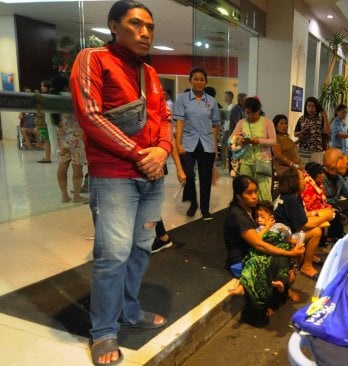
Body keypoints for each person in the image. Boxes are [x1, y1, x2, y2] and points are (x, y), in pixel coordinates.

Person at [70, 1, 172, 364]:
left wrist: (161, 149)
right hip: (114, 177)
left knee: (141, 249)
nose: (145, 32)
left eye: (150, 27)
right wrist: (139, 153)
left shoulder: (151, 74)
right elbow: (90, 116)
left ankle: (130, 311)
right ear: (114, 25)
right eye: (136, 24)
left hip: (151, 177)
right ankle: (103, 332)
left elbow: (163, 117)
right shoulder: (92, 58)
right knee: (112, 256)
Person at [223, 175, 305, 326]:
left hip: (253, 251)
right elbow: (259, 245)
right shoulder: (238, 215)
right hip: (241, 261)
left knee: (283, 258)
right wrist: (289, 253)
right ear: (239, 194)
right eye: (249, 192)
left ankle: (283, 287)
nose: (254, 196)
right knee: (279, 260)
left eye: (256, 191)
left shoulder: (250, 208)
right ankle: (270, 296)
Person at [173, 67, 220, 220]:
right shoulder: (182, 99)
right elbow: (179, 122)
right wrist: (178, 143)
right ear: (190, 80)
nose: (199, 82)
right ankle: (193, 202)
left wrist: (215, 146)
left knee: (205, 177)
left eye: (202, 79)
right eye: (196, 79)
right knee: (189, 175)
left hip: (206, 143)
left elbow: (215, 126)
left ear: (205, 82)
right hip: (188, 142)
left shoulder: (212, 101)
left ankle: (204, 208)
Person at [274, 167, 335, 280]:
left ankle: (310, 257)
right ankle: (306, 266)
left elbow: (301, 216)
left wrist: (316, 213)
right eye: (303, 178)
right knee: (316, 231)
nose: (306, 181)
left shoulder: (291, 196)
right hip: (282, 238)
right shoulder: (291, 199)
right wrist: (326, 216)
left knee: (316, 224)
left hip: (287, 231)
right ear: (294, 182)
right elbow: (305, 224)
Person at [230, 97, 276, 201]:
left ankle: (265, 213)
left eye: (252, 113)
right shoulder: (242, 123)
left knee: (263, 190)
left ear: (258, 110)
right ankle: (246, 213)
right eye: (247, 112)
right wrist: (239, 139)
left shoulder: (267, 123)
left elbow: (273, 141)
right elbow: (231, 139)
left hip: (262, 162)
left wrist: (259, 141)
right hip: (245, 161)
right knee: (245, 189)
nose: (250, 115)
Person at [50, 75, 87, 203]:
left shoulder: (53, 99)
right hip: (76, 137)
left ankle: (64, 195)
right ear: (66, 86)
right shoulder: (71, 97)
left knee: (62, 165)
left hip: (62, 137)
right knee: (77, 166)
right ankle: (76, 195)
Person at [294, 96, 330, 163]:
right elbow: (295, 133)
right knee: (304, 171)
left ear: (316, 107)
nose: (311, 108)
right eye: (309, 106)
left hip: (317, 150)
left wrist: (325, 116)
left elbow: (327, 131)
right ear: (306, 107)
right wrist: (302, 131)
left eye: (313, 106)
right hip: (303, 150)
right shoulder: (301, 119)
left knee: (316, 171)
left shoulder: (320, 118)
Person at [272, 114, 301, 178]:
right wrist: (293, 165)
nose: (284, 126)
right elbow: (278, 155)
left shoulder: (287, 138)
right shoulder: (276, 138)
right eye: (281, 124)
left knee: (312, 169)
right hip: (284, 167)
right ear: (276, 126)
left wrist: (300, 140)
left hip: (295, 165)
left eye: (285, 123)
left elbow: (290, 146)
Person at [36, 80, 52, 163]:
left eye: (43, 86)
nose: (41, 87)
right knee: (46, 140)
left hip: (45, 122)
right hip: (44, 121)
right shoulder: (47, 96)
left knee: (46, 140)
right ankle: (47, 157)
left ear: (47, 87)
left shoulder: (46, 97)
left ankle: (47, 158)